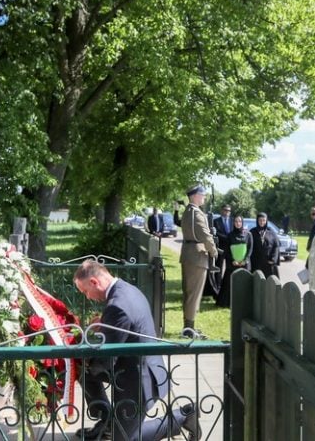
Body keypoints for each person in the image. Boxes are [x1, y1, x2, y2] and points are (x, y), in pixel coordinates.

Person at [73, 260, 200, 441]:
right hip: (141, 367)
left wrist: (80, 358)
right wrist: (104, 324)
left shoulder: (117, 306)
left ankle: (183, 417)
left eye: (86, 291)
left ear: (94, 282)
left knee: (125, 438)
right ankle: (109, 421)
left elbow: (106, 359)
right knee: (86, 374)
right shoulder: (125, 289)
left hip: (139, 381)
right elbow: (127, 324)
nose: (88, 297)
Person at [179, 184, 218, 338]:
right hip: (197, 256)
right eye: (202, 195)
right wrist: (213, 251)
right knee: (193, 294)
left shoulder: (188, 212)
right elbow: (205, 236)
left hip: (189, 254)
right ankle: (188, 330)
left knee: (190, 293)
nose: (204, 197)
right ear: (195, 196)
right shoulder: (196, 213)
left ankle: (189, 327)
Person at [216, 215, 253, 308]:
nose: (238, 223)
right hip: (232, 264)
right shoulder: (230, 235)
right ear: (233, 223)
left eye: (239, 221)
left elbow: (250, 249)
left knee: (244, 284)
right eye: (236, 221)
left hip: (244, 264)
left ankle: (244, 303)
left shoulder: (248, 235)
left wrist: (245, 260)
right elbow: (227, 250)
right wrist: (232, 260)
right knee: (229, 283)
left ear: (242, 223)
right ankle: (227, 303)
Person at [211, 204, 233, 299]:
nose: (227, 212)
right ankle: (217, 288)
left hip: (231, 248)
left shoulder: (233, 221)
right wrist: (227, 238)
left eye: (228, 211)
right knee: (219, 268)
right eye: (225, 210)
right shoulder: (216, 221)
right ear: (221, 210)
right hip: (220, 248)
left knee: (229, 268)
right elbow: (216, 235)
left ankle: (228, 287)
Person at [249, 212, 280, 278]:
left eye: (264, 220)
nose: (262, 222)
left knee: (270, 284)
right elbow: (248, 246)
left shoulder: (271, 232)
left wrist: (273, 259)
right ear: (257, 220)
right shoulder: (252, 232)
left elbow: (276, 245)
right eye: (260, 220)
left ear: (266, 221)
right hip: (256, 263)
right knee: (257, 283)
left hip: (268, 263)